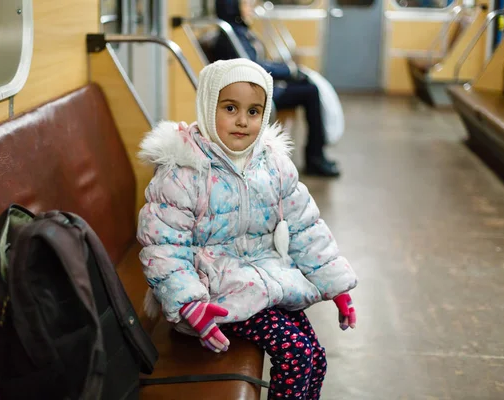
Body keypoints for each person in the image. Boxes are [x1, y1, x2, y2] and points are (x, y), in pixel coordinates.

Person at [137, 58, 358, 399]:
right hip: (211, 295)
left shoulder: (272, 164)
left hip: (262, 280)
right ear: (209, 106)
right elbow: (164, 249)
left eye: (254, 111)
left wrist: (337, 286)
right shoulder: (183, 172)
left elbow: (305, 227)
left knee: (314, 356)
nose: (243, 121)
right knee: (296, 353)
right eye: (230, 108)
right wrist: (189, 303)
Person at [211, 0, 340, 177]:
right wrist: (289, 71)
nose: (251, 9)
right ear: (232, 7)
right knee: (310, 91)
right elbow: (254, 68)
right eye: (246, 5)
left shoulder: (239, 32)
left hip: (257, 88)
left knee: (307, 86)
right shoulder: (231, 36)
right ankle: (314, 157)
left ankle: (316, 153)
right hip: (253, 95)